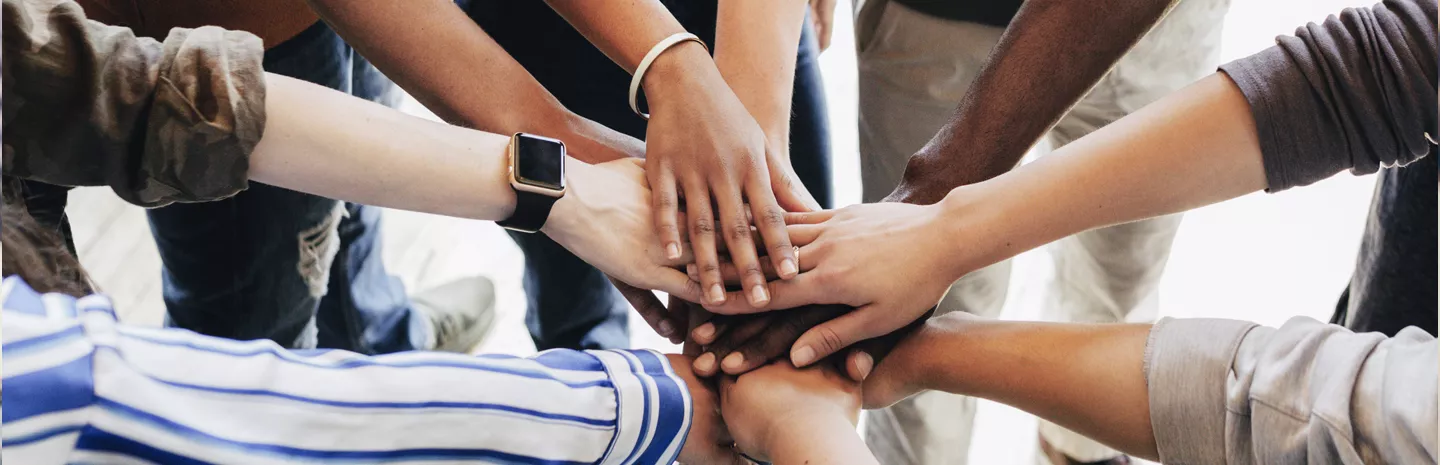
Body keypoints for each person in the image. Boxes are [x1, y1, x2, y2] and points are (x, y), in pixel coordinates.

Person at [1, 1, 745, 461]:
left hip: (273, 38)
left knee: (339, 233)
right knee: (253, 317)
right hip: (197, 20)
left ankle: (383, 331)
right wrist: (648, 403)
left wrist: (565, 178)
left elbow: (112, 88)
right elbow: (217, 407)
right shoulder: (49, 363)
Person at [698, 0, 1436, 462]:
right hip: (944, 18)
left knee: (1114, 288)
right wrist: (941, 227)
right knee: (910, 371)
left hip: (1173, 37)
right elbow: (1390, 66)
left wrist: (929, 292)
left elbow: (1317, 413)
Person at [305, 0, 831, 353]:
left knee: (786, 279)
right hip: (520, 23)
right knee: (577, 277)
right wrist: (566, 153)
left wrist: (756, 149)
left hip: (747, 20)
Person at [61, 0, 498, 355]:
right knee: (244, 319)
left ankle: (370, 334)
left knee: (347, 204)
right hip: (218, 18)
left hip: (337, 15)